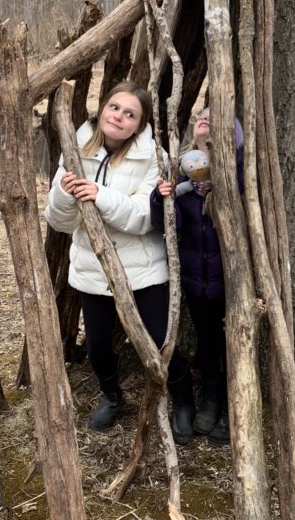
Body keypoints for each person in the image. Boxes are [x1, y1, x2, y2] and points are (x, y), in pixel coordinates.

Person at [45, 83, 196, 443]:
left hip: (141, 270)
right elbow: (59, 222)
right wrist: (67, 194)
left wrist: (100, 196)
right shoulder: (76, 149)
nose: (120, 117)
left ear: (140, 125)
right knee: (97, 344)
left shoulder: (154, 158)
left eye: (131, 114)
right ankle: (112, 396)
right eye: (115, 108)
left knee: (161, 341)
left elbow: (146, 219)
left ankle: (184, 401)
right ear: (102, 109)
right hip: (93, 270)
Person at [150, 107, 242, 446]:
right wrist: (163, 198)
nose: (205, 117)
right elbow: (165, 226)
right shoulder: (182, 168)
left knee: (236, 340)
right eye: (200, 116)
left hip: (234, 279)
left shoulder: (241, 168)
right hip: (197, 280)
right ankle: (212, 395)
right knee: (206, 341)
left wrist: (224, 188)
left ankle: (236, 400)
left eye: (214, 115)